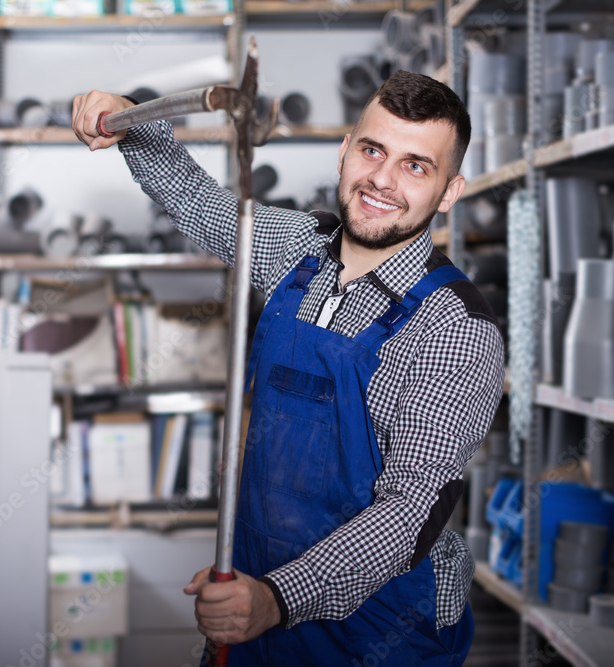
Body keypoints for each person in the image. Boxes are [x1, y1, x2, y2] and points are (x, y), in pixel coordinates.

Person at [72, 70, 504, 666]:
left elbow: (411, 508)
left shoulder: (453, 327)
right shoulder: (297, 250)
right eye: (372, 150)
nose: (382, 180)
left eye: (415, 166)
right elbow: (200, 203)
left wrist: (277, 598)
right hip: (254, 590)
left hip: (379, 628)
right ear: (344, 152)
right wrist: (132, 122)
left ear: (449, 192)